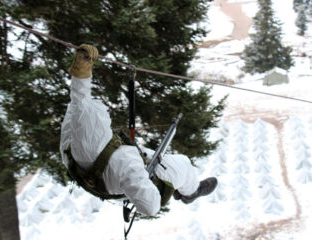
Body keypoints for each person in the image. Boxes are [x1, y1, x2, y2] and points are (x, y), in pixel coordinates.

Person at [60, 44, 218, 216]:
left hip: (99, 178)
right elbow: (151, 208)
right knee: (183, 165)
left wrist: (82, 65)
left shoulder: (70, 141)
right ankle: (192, 192)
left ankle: (174, 185)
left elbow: (79, 100)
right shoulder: (125, 162)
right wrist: (143, 184)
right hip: (133, 180)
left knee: (145, 155)